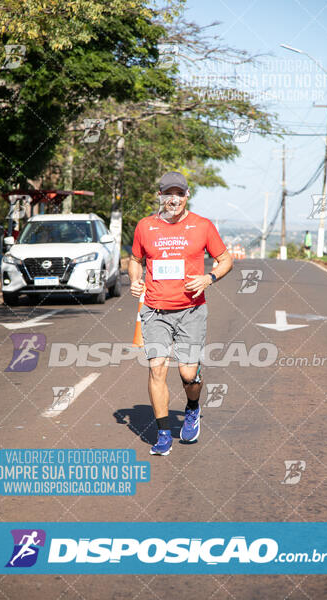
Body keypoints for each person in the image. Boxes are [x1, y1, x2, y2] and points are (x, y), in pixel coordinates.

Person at [128, 171, 233, 456]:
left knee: (188, 374)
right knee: (156, 368)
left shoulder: (202, 226)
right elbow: (135, 260)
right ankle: (162, 433)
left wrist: (209, 278)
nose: (173, 199)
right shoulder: (145, 227)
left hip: (191, 310)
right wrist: (134, 280)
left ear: (187, 196)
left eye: (178, 194)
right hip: (154, 311)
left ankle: (192, 408)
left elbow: (225, 260)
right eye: (168, 194)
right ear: (160, 197)